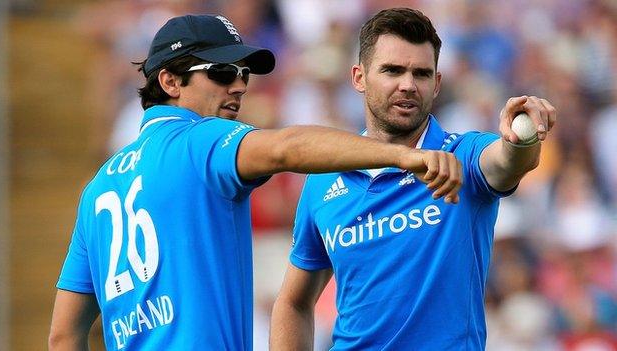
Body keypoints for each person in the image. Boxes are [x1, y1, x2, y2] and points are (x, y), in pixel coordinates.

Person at [48, 14, 463, 350]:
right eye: (222, 72)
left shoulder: (97, 188)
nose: (240, 85)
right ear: (170, 82)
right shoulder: (198, 140)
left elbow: (63, 335)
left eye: (243, 73)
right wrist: (405, 155)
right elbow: (287, 148)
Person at [269, 7, 557, 351]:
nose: (407, 85)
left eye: (421, 73)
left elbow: (506, 162)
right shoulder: (324, 181)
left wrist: (520, 141)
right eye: (392, 70)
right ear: (359, 78)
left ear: (436, 85)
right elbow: (293, 302)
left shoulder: (461, 154)